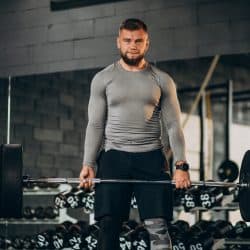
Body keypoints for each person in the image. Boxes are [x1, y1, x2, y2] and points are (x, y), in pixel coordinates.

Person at [79, 18, 191, 250]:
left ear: (147, 43)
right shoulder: (103, 78)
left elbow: (173, 125)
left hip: (150, 158)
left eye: (139, 40)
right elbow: (96, 124)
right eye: (127, 40)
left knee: (158, 226)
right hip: (113, 158)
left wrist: (181, 166)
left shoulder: (162, 80)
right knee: (108, 226)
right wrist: (88, 163)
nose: (133, 45)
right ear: (118, 42)